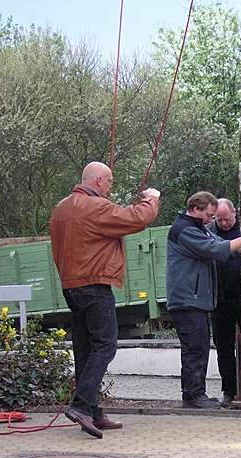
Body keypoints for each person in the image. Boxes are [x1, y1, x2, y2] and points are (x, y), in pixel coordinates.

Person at [50, 161, 160, 438]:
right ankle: (82, 406)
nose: (110, 188)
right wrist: (151, 199)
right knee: (105, 346)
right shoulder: (94, 207)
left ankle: (94, 412)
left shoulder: (62, 207)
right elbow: (134, 219)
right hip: (94, 284)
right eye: (110, 182)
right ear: (99, 181)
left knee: (85, 349)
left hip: (71, 285)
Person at [166, 191, 241, 409]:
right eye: (210, 215)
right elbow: (214, 249)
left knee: (200, 347)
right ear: (196, 209)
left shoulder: (198, 228)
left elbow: (221, 243)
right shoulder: (185, 230)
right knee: (195, 348)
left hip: (197, 300)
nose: (212, 220)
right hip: (187, 299)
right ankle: (193, 395)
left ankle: (196, 393)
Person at [207, 198, 241, 407]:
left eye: (227, 219)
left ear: (234, 213)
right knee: (224, 348)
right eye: (219, 220)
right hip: (220, 300)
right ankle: (229, 390)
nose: (224, 223)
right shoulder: (210, 232)